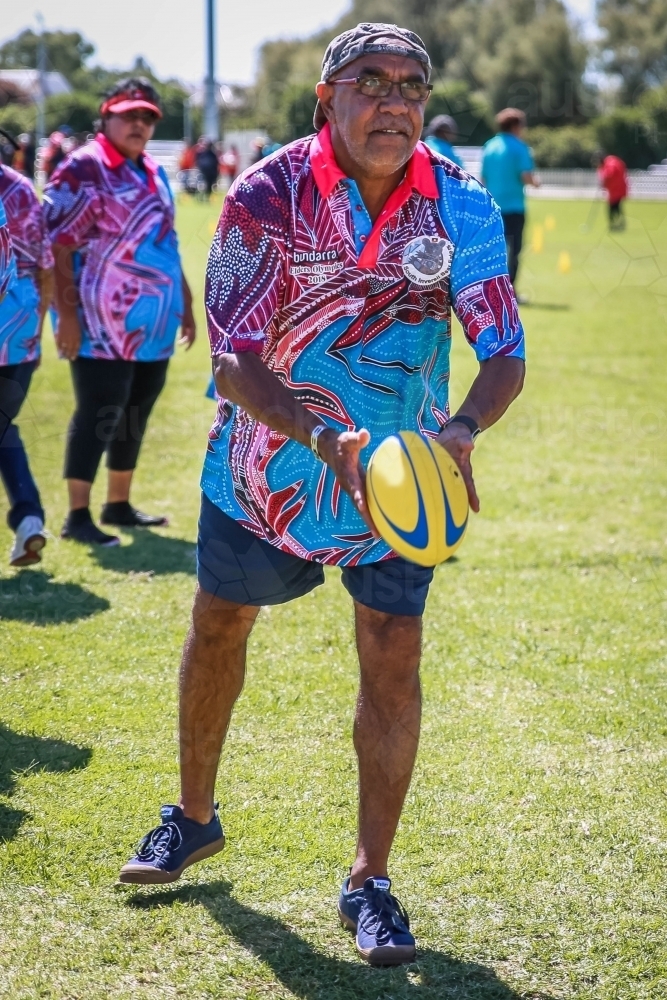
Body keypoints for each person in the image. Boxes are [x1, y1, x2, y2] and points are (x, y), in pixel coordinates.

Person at [119, 23, 525, 967]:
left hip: (400, 484)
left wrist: (461, 429)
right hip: (268, 473)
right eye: (369, 83)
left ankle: (369, 879)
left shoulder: (459, 204)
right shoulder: (268, 193)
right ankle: (191, 815)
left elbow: (501, 349)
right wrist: (319, 434)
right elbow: (234, 359)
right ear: (325, 101)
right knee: (219, 623)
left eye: (409, 86)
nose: (393, 102)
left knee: (392, 653)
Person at [43, 77, 196, 547]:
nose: (139, 123)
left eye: (147, 116)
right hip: (98, 324)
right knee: (100, 410)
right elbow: (56, 246)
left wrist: (186, 303)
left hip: (152, 326)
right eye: (128, 114)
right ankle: (76, 515)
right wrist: (66, 317)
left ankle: (118, 504)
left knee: (137, 409)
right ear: (105, 117)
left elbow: (166, 243)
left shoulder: (152, 170)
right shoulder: (83, 169)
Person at [0, 164, 53, 565]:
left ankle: (28, 517)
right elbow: (44, 266)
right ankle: (29, 517)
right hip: (18, 333)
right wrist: (36, 330)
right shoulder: (18, 187)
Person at [481, 108, 539, 292]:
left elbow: (483, 179)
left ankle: (489, 288)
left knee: (493, 251)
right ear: (515, 126)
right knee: (514, 250)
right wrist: (536, 183)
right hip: (514, 207)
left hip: (492, 207)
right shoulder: (519, 147)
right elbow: (526, 176)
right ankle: (509, 290)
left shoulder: (489, 146)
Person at [595, 151, 628, 231]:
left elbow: (609, 175)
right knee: (616, 207)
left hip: (616, 190)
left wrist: (604, 182)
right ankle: (618, 223)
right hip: (616, 189)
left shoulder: (610, 164)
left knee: (613, 208)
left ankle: (614, 224)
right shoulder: (612, 161)